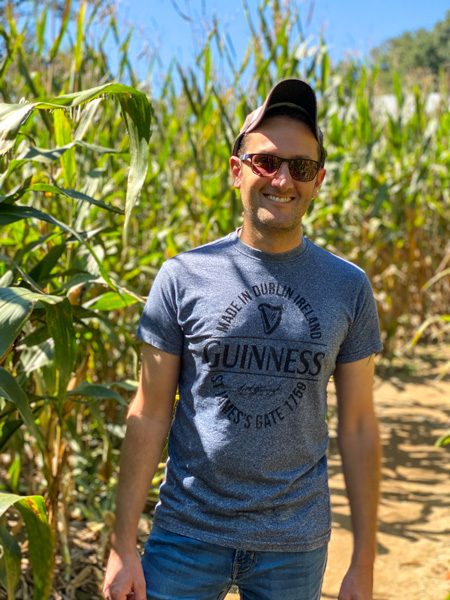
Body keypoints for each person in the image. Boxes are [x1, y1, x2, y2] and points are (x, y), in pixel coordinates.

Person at [103, 78, 382, 600]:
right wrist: (122, 545)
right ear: (237, 172)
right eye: (266, 162)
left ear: (318, 181)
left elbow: (360, 425)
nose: (283, 179)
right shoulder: (183, 276)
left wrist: (363, 563)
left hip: (294, 544)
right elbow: (149, 411)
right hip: (186, 535)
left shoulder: (349, 287)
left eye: (300, 168)